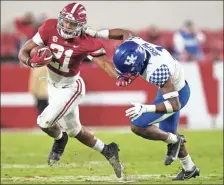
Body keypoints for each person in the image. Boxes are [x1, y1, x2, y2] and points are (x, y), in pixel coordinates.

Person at [18, 2, 132, 178]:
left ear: (81, 26)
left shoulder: (88, 41)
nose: (67, 26)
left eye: (72, 24)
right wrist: (31, 62)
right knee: (76, 131)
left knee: (44, 122)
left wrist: (120, 77)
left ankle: (59, 139)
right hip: (52, 84)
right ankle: (109, 150)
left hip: (71, 87)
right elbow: (24, 51)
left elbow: (103, 63)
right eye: (65, 21)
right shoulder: (49, 26)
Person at [91, 36, 200, 181]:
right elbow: (123, 33)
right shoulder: (134, 43)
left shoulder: (157, 71)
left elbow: (174, 105)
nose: (127, 74)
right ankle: (190, 168)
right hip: (170, 91)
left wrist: (145, 108)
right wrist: (97, 32)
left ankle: (174, 140)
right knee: (168, 131)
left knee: (138, 125)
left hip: (177, 96)